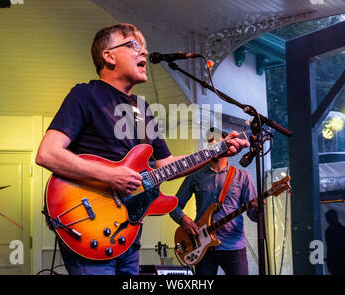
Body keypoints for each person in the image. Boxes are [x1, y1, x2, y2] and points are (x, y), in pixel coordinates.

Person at [35, 23, 249, 275]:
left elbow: (166, 165)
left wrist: (216, 151)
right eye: (133, 45)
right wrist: (111, 175)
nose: (144, 53)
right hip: (89, 223)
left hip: (128, 231)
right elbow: (47, 153)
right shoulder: (85, 95)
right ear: (109, 55)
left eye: (145, 48)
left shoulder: (142, 110)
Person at [170, 128, 258, 275]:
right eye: (210, 143)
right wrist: (183, 219)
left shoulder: (242, 177)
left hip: (233, 247)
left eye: (217, 143)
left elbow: (254, 216)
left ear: (227, 146)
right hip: (201, 248)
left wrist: (258, 209)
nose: (213, 147)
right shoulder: (195, 175)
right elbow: (173, 206)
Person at [324, 209, 345, 275]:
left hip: (343, 263)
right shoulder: (328, 231)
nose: (330, 220)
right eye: (329, 218)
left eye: (331, 218)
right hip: (335, 264)